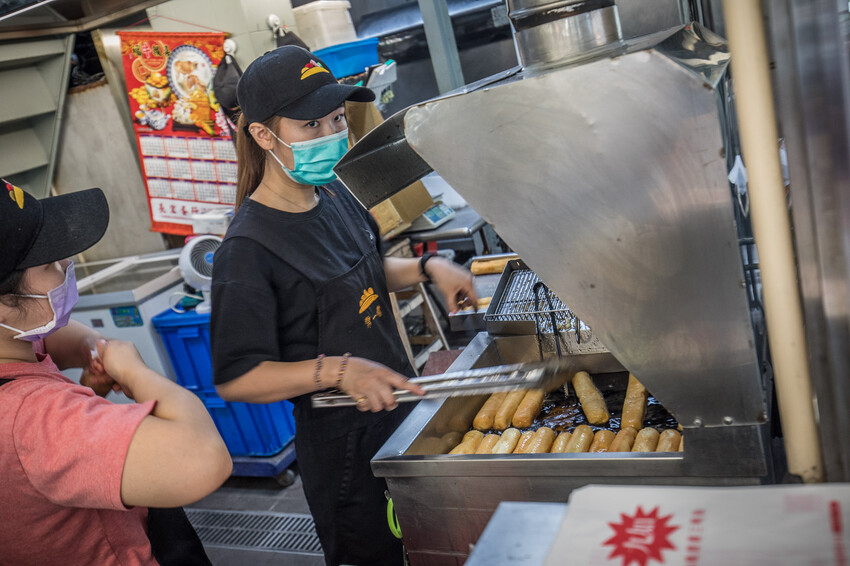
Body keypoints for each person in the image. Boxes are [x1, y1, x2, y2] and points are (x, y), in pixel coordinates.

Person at [210, 46, 478, 566]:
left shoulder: (335, 195)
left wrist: (429, 268)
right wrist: (338, 370)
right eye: (312, 125)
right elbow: (237, 377)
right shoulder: (246, 250)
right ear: (264, 136)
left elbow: (363, 273)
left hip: (396, 411)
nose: (332, 134)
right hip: (344, 449)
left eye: (336, 119)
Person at [0, 182, 232, 565]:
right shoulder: (32, 421)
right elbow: (206, 459)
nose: (66, 269)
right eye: (49, 265)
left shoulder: (15, 347)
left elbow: (57, 340)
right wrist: (135, 372)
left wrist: (93, 348)